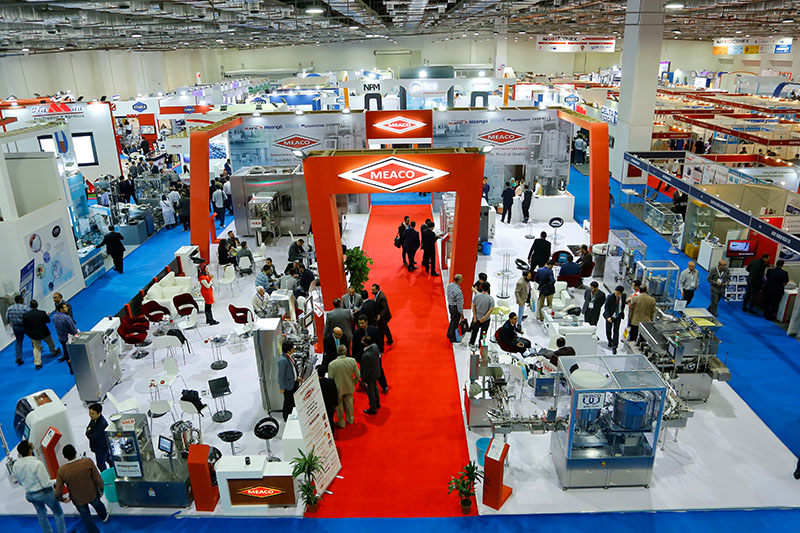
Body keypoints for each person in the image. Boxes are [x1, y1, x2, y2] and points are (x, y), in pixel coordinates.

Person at [14, 440, 66, 533]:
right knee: (58, 513)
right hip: (44, 493)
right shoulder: (37, 464)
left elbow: (20, 482)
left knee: (41, 514)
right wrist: (58, 480)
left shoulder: (16, 465)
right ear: (30, 451)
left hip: (30, 495)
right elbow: (46, 483)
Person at [55, 445, 108, 533]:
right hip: (92, 493)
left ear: (65, 457)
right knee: (98, 505)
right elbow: (98, 479)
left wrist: (62, 499)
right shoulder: (87, 462)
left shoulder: (62, 471)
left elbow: (58, 492)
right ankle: (104, 517)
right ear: (75, 452)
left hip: (77, 499)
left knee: (86, 517)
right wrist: (101, 489)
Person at [23, 300, 61, 371]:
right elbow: (48, 321)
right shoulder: (42, 313)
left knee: (36, 348)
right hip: (44, 332)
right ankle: (54, 351)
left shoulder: (26, 315)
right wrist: (47, 316)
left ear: (30, 306)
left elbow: (25, 325)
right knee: (50, 342)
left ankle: (38, 363)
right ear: (37, 305)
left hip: (34, 334)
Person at [327, 344, 360, 428]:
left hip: (338, 388)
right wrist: (353, 382)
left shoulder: (332, 364)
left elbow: (330, 378)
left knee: (339, 406)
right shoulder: (352, 361)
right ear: (346, 351)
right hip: (349, 386)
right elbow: (358, 375)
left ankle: (341, 422)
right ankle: (350, 419)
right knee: (349, 403)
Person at [277, 340, 301, 421]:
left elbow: (293, 369)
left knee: (293, 401)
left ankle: (293, 415)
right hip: (288, 386)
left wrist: (297, 377)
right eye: (292, 347)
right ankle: (286, 417)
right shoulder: (282, 360)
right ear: (289, 349)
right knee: (288, 402)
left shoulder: (290, 357)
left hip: (294, 383)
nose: (294, 348)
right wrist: (282, 387)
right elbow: (281, 376)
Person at [85, 404, 111, 472]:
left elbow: (93, 437)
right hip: (101, 446)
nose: (91, 415)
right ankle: (113, 470)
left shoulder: (102, 424)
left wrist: (88, 432)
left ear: (99, 413)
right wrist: (89, 431)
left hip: (101, 448)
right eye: (90, 413)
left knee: (100, 464)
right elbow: (89, 427)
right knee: (108, 459)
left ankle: (106, 475)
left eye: (93, 413)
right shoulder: (94, 419)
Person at [468, 281, 494, 348]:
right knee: (484, 334)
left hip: (477, 318)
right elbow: (491, 309)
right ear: (489, 288)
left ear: (481, 287)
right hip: (486, 320)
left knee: (474, 332)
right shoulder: (490, 299)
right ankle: (481, 345)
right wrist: (485, 317)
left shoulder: (476, 296)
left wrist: (475, 316)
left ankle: (472, 343)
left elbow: (473, 306)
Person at [52, 303, 77, 372]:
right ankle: (75, 368)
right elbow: (72, 330)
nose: (67, 308)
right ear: (61, 309)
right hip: (68, 339)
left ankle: (71, 368)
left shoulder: (54, 316)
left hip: (61, 338)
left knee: (66, 353)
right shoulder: (66, 318)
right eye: (65, 307)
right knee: (73, 353)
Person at [361, 336, 382, 414]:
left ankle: (373, 408)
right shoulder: (375, 346)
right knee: (375, 387)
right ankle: (377, 403)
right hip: (376, 372)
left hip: (370, 376)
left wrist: (363, 380)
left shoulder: (366, 355)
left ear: (366, 344)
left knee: (370, 391)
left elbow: (366, 370)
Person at [7, 294, 30, 366]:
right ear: (21, 300)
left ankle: (18, 357)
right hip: (25, 326)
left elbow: (7, 318)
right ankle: (36, 349)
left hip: (15, 327)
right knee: (33, 337)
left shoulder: (9, 308)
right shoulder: (25, 308)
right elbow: (29, 317)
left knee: (18, 341)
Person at [603, 285, 627, 354]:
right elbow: (606, 307)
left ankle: (614, 346)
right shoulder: (610, 297)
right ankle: (610, 340)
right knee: (608, 330)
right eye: (615, 292)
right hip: (610, 316)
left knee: (616, 331)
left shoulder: (623, 296)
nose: (616, 294)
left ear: (621, 293)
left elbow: (623, 305)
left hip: (618, 316)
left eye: (617, 293)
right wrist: (608, 317)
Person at [317, 366, 339, 430]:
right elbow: (335, 393)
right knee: (330, 420)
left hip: (320, 406)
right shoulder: (331, 381)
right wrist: (336, 404)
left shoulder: (316, 383)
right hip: (330, 406)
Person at [446, 274, 464, 342]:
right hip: (455, 308)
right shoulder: (458, 292)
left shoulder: (450, 285)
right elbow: (459, 304)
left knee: (452, 320)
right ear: (459, 280)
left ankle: (449, 333)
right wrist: (461, 313)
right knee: (455, 323)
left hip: (450, 306)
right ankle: (452, 337)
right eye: (461, 279)